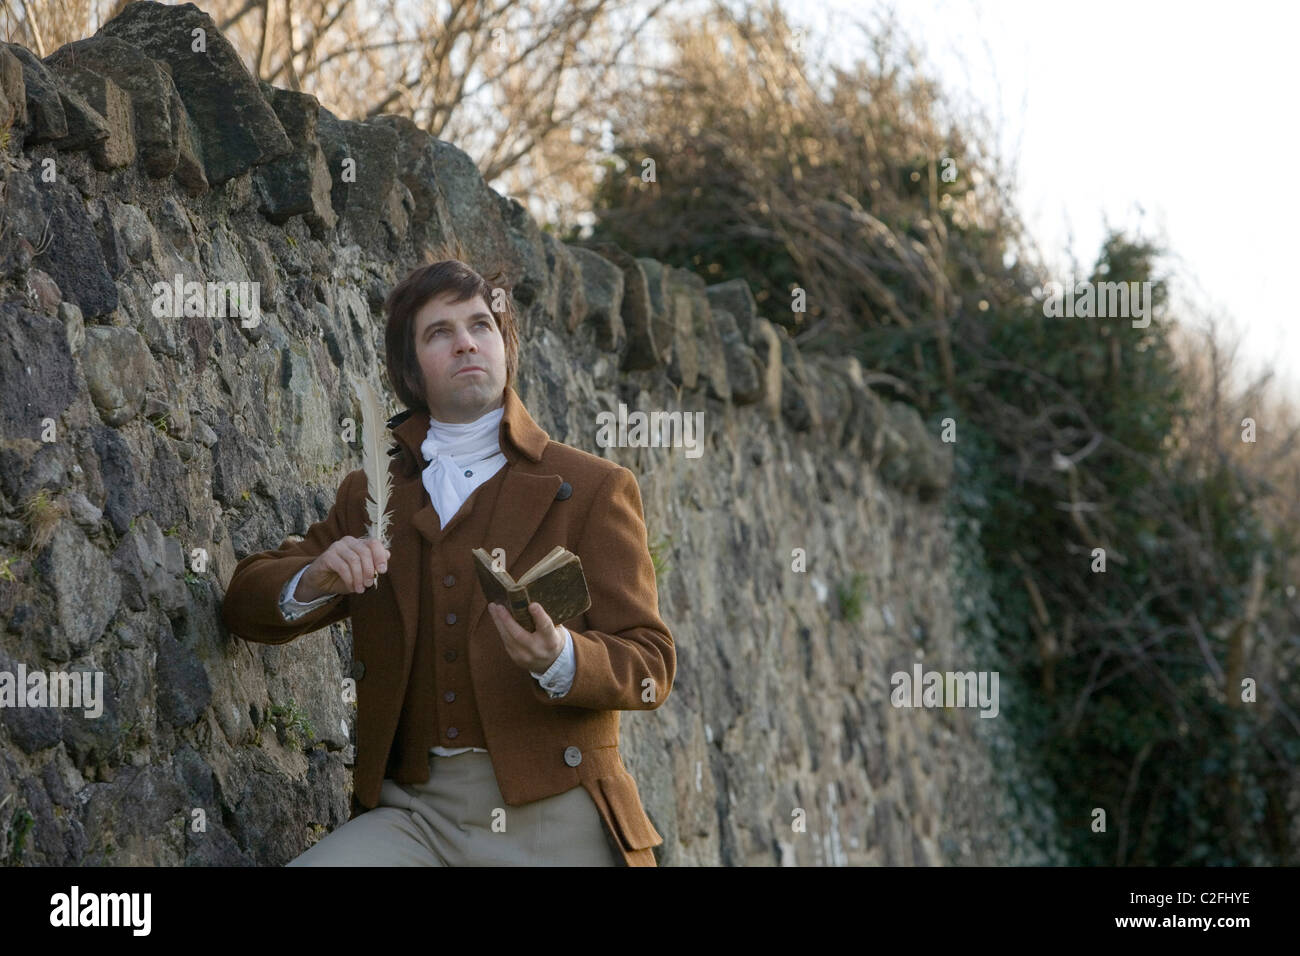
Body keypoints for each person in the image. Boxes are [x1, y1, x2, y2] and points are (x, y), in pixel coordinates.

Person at [220, 257, 674, 866]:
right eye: (440, 332)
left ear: (504, 346)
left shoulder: (594, 488)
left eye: (480, 326)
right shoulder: (373, 492)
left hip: (555, 811)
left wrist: (563, 658)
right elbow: (245, 601)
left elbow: (651, 663)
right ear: (412, 368)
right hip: (414, 815)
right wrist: (317, 576)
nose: (466, 342)